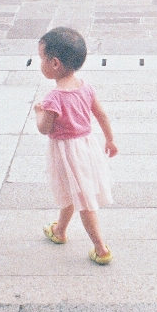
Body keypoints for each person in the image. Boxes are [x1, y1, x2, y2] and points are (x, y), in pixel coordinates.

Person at [34, 27, 118, 265]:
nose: (39, 63)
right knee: (74, 191)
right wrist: (110, 139)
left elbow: (44, 128)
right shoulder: (85, 87)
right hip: (87, 147)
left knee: (83, 200)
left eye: (42, 58)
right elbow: (101, 115)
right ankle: (60, 230)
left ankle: (101, 248)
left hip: (66, 152)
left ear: (55, 64)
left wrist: (39, 112)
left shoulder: (53, 99)